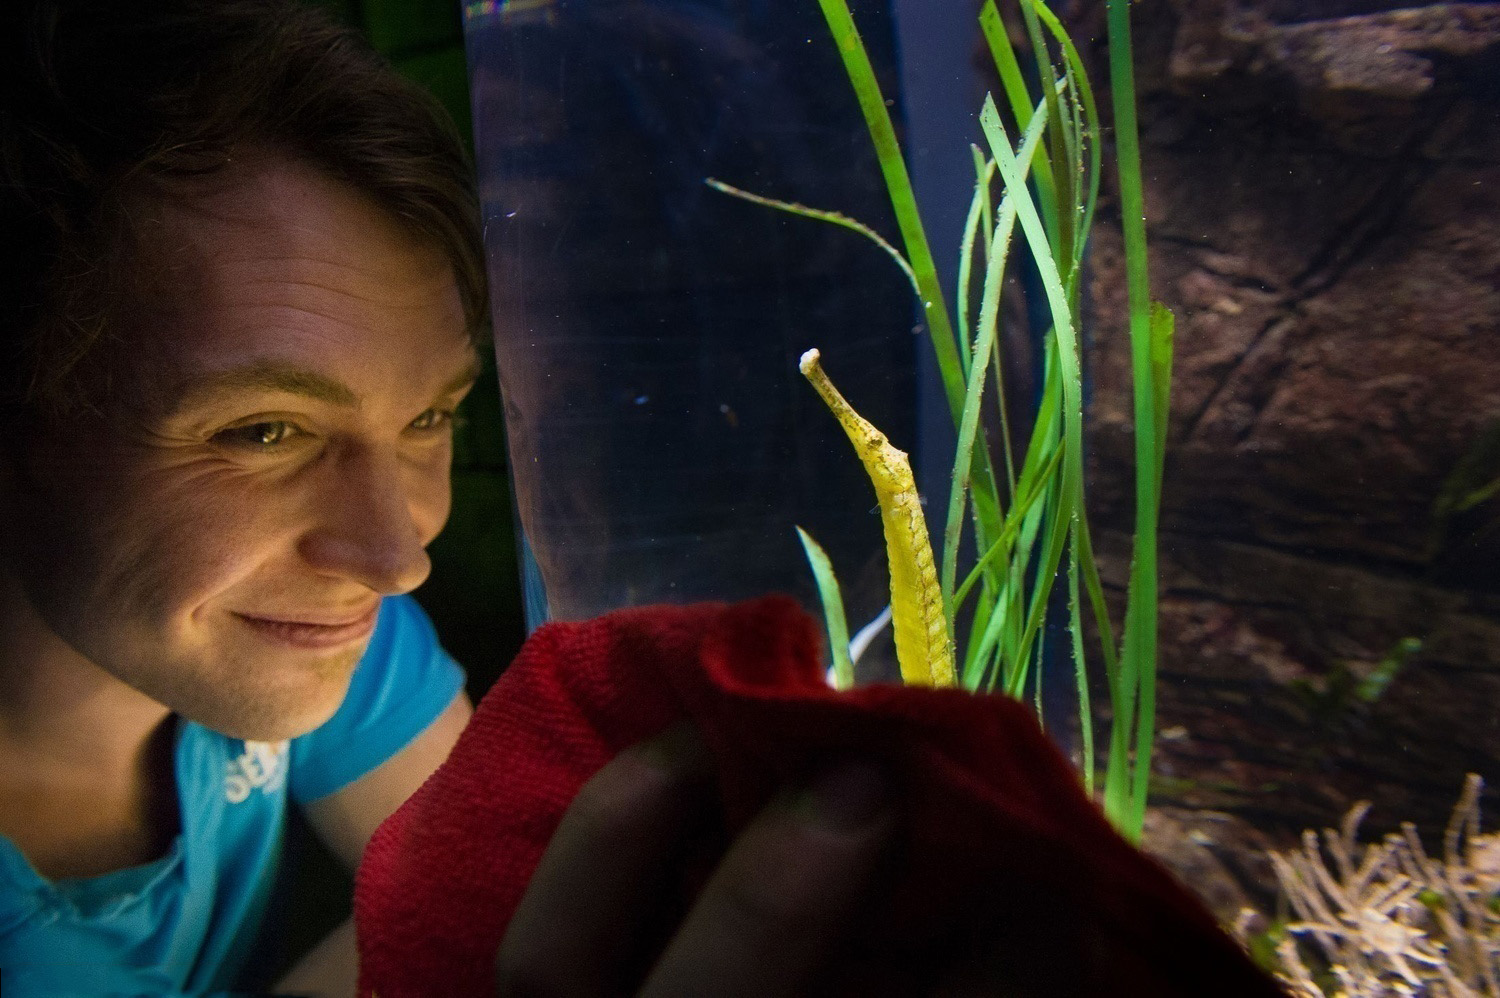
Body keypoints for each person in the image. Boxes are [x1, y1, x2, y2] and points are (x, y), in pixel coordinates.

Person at [0, 3, 899, 995]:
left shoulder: (314, 634)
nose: (397, 558)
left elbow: (480, 892)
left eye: (430, 417)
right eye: (265, 431)